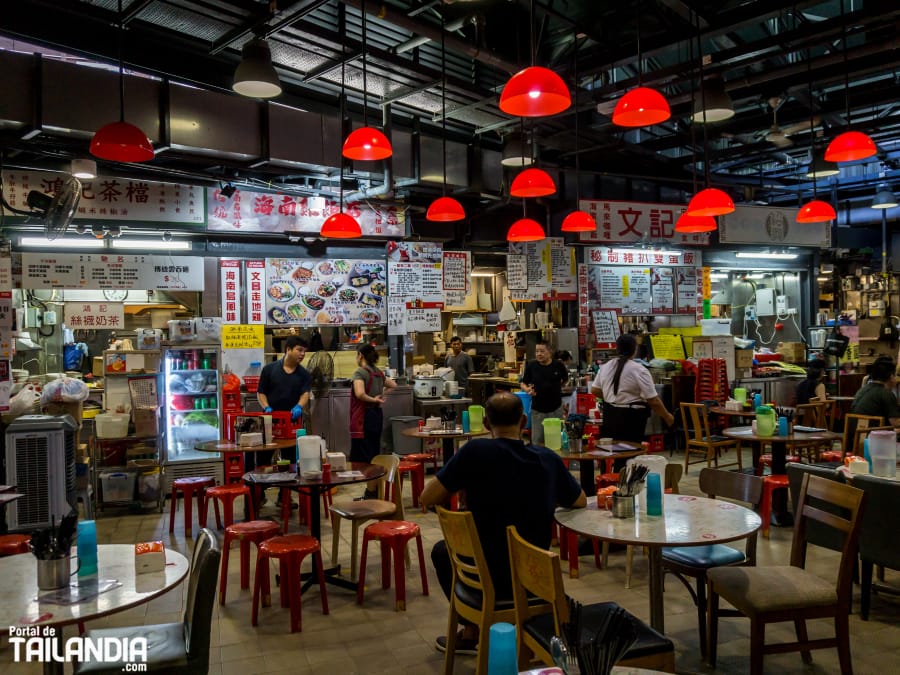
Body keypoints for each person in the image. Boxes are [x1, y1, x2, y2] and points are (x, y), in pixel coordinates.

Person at [420, 392, 585, 654]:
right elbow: (580, 501)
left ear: (486, 424)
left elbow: (427, 498)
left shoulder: (475, 451)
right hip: (535, 576)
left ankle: (473, 630)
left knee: (441, 551)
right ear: (524, 421)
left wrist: (464, 482)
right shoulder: (548, 458)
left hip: (485, 576)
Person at [591, 334, 675, 443]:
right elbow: (653, 400)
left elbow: (595, 390)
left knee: (614, 452)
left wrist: (611, 397)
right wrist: (667, 416)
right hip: (632, 419)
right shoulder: (639, 369)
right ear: (635, 349)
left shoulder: (605, 366)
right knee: (631, 452)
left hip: (610, 416)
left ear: (617, 349)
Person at [255, 335, 311, 470]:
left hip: (291, 423)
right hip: (270, 423)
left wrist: (299, 406)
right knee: (263, 459)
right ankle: (260, 489)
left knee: (289, 460)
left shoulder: (304, 374)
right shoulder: (269, 369)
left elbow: (305, 393)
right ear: (288, 349)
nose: (302, 354)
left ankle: (285, 490)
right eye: (299, 350)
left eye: (304, 351)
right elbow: (261, 392)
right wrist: (266, 407)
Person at [350, 344, 397, 498]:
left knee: (365, 459)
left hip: (364, 418)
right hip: (376, 415)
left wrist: (373, 399)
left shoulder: (360, 372)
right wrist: (381, 396)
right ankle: (372, 491)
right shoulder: (378, 373)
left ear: (360, 355)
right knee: (373, 454)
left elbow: (359, 394)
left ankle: (371, 493)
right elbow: (394, 385)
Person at [520, 340, 569, 445]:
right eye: (537, 351)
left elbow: (565, 380)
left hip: (556, 409)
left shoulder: (558, 365)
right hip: (538, 410)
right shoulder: (531, 366)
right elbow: (523, 383)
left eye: (542, 351)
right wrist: (527, 389)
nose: (539, 354)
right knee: (537, 441)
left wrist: (556, 388)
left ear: (549, 351)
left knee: (557, 441)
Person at [850, 356, 900, 427]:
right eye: (896, 375)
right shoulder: (886, 394)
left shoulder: (862, 389)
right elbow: (895, 423)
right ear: (891, 377)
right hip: (870, 435)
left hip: (854, 435)